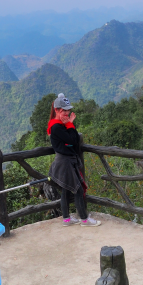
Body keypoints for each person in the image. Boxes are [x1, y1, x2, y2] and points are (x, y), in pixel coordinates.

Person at [48, 93, 101, 227]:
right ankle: (84, 219)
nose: (67, 113)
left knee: (66, 190)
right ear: (57, 110)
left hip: (65, 160)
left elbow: (73, 139)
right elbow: (73, 139)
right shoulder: (56, 127)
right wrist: (71, 124)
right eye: (64, 110)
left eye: (68, 110)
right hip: (65, 162)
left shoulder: (59, 125)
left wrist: (69, 126)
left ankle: (67, 219)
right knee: (77, 189)